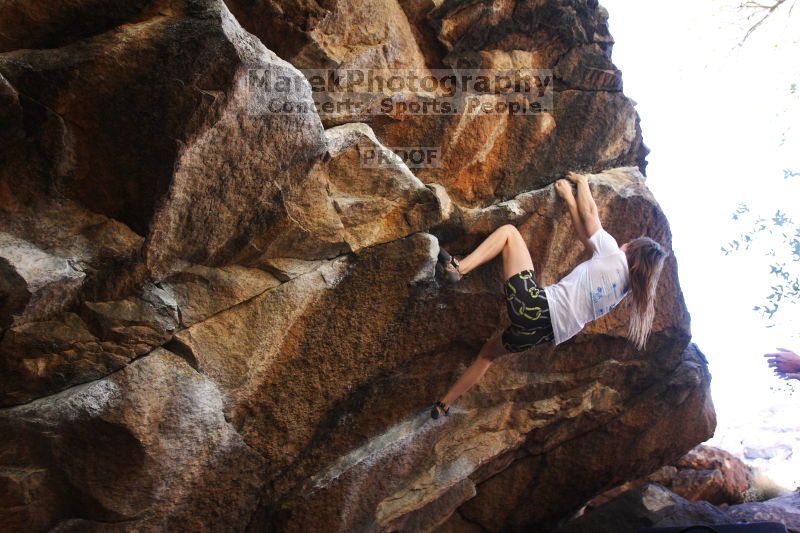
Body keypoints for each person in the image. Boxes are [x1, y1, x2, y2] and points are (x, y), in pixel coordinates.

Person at [430, 171, 670, 419]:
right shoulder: (620, 290)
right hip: (539, 334)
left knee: (510, 233)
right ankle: (443, 404)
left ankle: (460, 269)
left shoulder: (613, 255)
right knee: (487, 356)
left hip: (534, 307)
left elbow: (590, 216)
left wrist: (582, 183)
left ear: (630, 249)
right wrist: (568, 198)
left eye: (628, 243)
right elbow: (586, 238)